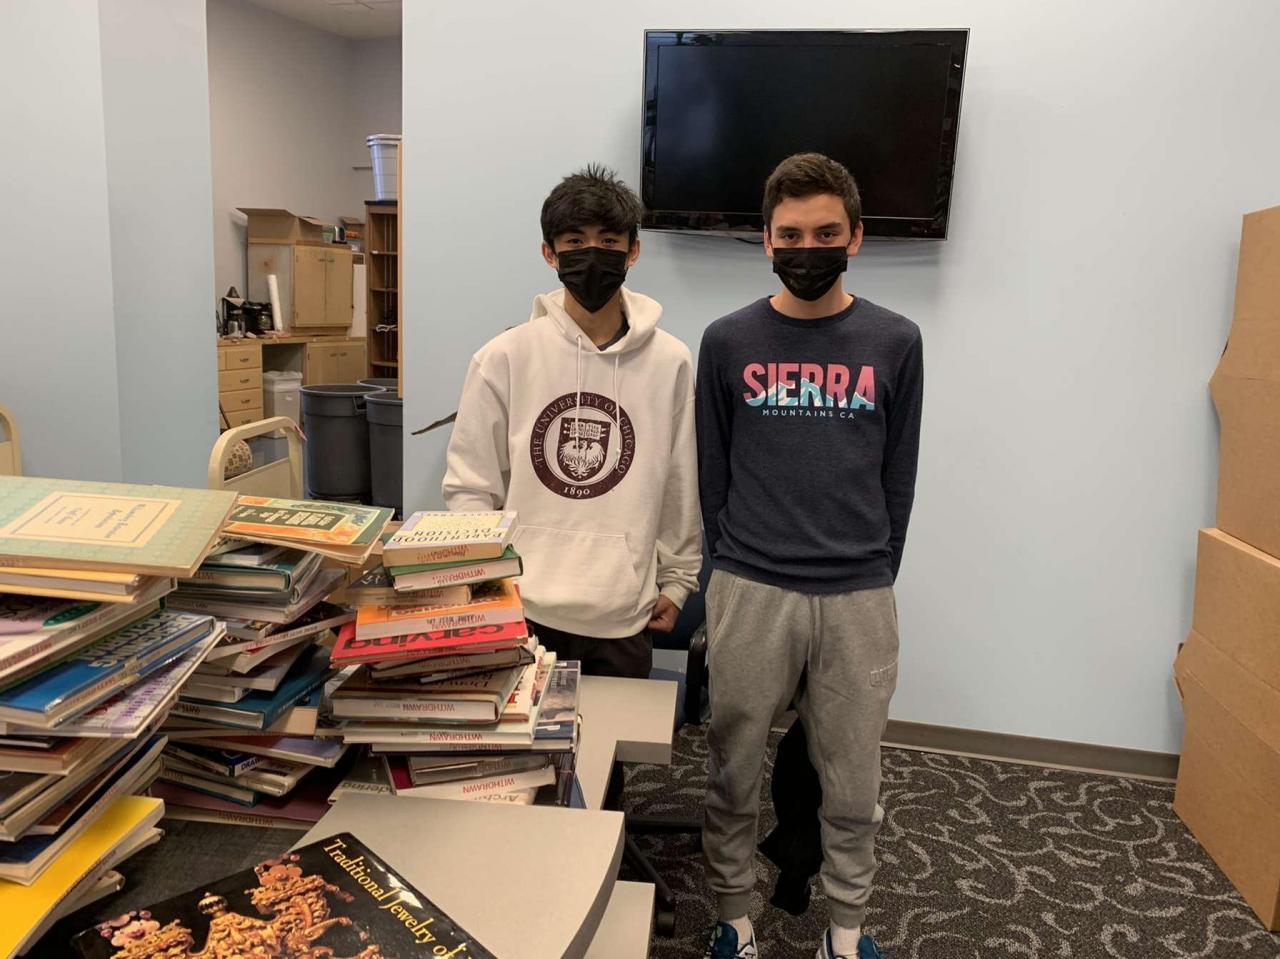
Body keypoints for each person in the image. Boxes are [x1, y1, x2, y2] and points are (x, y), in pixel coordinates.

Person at [696, 153, 924, 959]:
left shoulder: (896, 341)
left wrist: (874, 570)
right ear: (766, 240)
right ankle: (734, 917)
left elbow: (898, 476)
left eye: (827, 233)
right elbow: (712, 472)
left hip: (857, 593)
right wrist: (727, 570)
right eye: (790, 234)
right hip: (751, 585)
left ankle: (846, 932)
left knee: (854, 781)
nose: (807, 248)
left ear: (855, 236)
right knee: (732, 768)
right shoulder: (727, 340)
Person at [443, 164, 702, 807]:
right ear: (548, 253)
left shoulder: (670, 361)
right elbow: (470, 487)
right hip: (524, 609)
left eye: (610, 243)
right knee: (515, 773)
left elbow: (680, 480)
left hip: (623, 612)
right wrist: (484, 584)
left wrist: (677, 580)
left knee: (604, 777)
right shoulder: (505, 356)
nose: (593, 255)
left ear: (634, 252)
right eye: (575, 242)